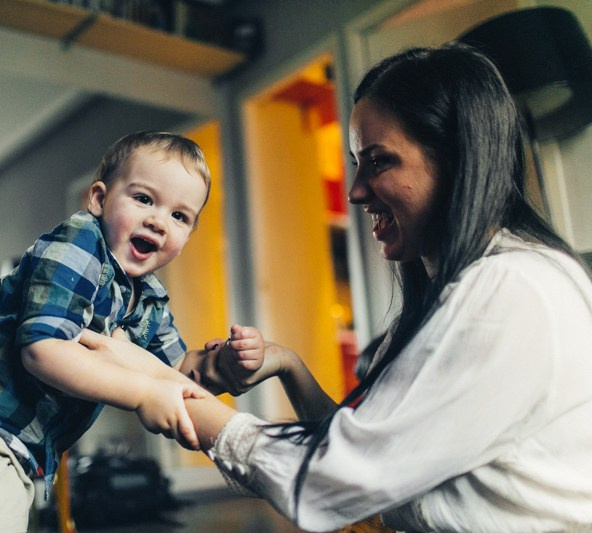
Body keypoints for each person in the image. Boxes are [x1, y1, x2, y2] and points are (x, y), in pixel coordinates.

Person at [80, 43, 592, 532]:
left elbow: (334, 481)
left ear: (454, 159)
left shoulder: (510, 289)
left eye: (379, 161)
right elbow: (375, 450)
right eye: (356, 164)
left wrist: (161, 391)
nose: (354, 191)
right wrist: (287, 365)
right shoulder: (463, 292)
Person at [0, 130, 264, 531]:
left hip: (6, 443)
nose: (158, 221)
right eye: (143, 199)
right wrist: (142, 393)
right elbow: (43, 349)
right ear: (100, 199)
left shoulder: (149, 299)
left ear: (189, 234)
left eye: (179, 216)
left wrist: (226, 363)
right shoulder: (79, 245)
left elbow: (177, 373)